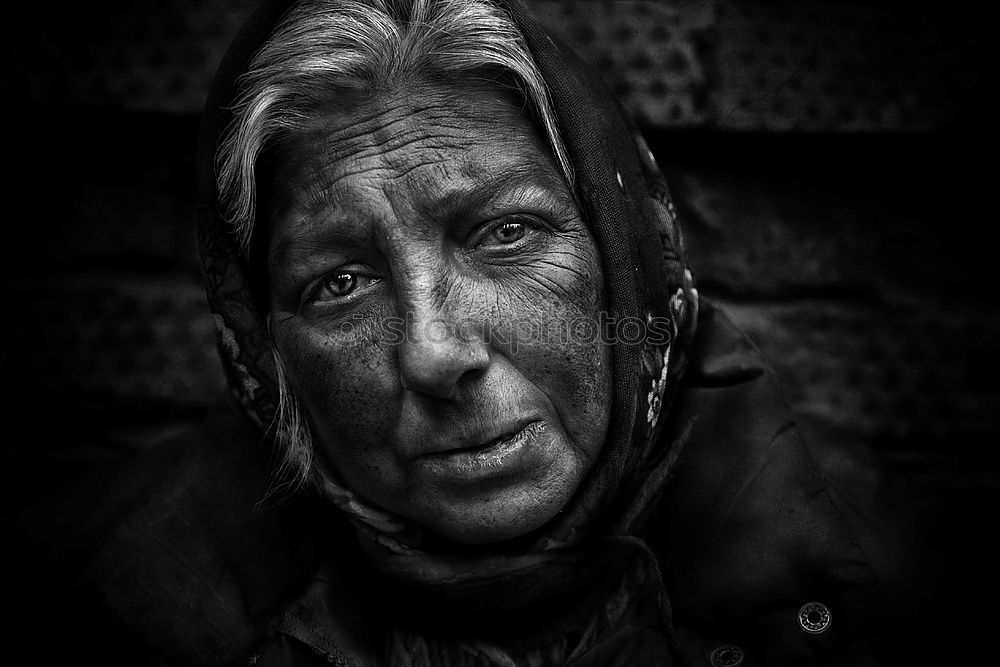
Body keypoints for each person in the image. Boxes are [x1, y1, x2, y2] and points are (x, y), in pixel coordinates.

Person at [5, 0, 921, 664]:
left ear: (628, 249)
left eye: (504, 233)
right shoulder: (107, 600)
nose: (437, 352)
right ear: (263, 350)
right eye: (341, 282)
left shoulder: (861, 604)